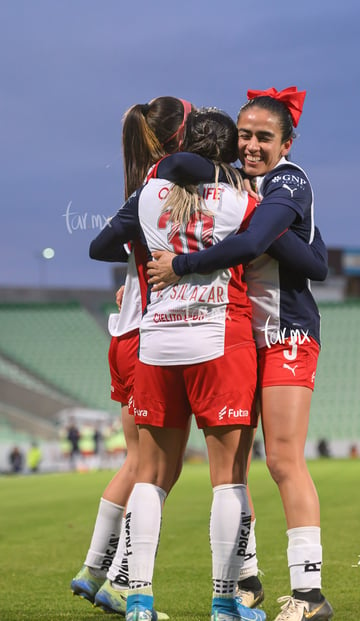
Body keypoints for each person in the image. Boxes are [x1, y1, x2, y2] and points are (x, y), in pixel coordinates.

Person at [146, 87, 334, 621]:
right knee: (229, 469)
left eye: (264, 137)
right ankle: (245, 581)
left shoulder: (288, 180)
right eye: (245, 135)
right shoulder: (233, 183)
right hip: (234, 334)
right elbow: (314, 257)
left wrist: (180, 267)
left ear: (287, 143)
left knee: (281, 458)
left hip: (285, 334)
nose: (251, 145)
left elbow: (255, 245)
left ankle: (310, 595)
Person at [71, 97, 194, 618]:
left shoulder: (140, 189)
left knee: (139, 461)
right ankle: (120, 580)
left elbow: (101, 246)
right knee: (158, 469)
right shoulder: (175, 189)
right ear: (180, 138)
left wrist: (134, 272)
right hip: (151, 338)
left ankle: (94, 569)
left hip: (125, 338)